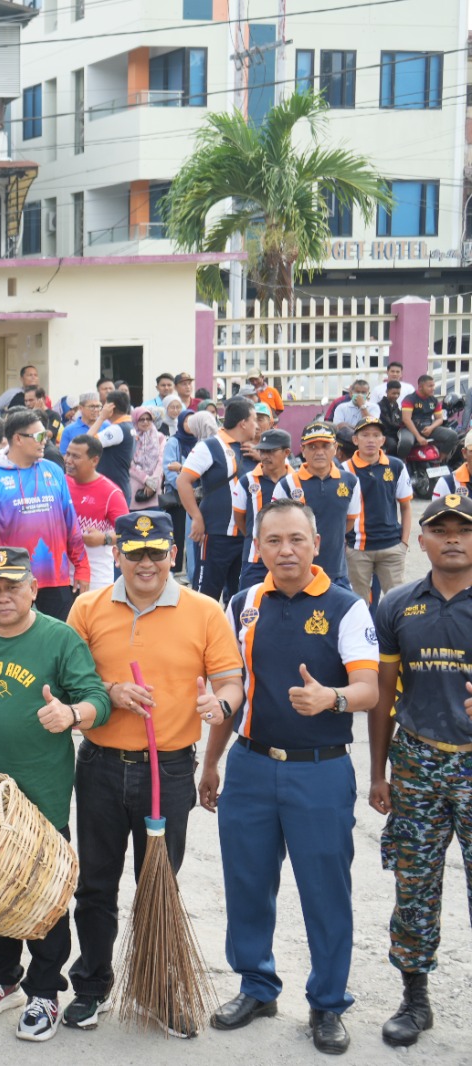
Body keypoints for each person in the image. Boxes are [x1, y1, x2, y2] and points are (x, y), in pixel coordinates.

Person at [201, 498, 379, 1054]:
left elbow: (370, 690)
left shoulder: (347, 607)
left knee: (326, 892)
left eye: (296, 539)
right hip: (251, 765)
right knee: (248, 883)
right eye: (273, 541)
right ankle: (257, 985)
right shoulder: (243, 602)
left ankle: (327, 1004)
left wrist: (333, 698)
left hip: (319, 772)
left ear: (317, 542)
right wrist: (211, 761)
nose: (286, 551)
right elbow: (235, 692)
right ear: (259, 547)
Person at [62, 512, 243, 1031]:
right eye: (134, 552)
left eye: (156, 552)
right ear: (116, 552)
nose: (145, 563)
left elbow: (231, 681)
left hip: (169, 770)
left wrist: (221, 706)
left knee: (158, 883)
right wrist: (111, 693)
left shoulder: (205, 611)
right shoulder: (88, 606)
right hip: (99, 765)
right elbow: (70, 680)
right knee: (95, 885)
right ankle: (93, 985)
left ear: (172, 554)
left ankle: (158, 990)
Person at [0, 545, 109, 1042]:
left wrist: (71, 715)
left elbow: (97, 697)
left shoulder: (59, 639)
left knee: (44, 894)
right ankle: (1, 979)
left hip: (41, 793)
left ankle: (45, 988)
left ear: (33, 589)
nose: (3, 597)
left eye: (12, 586)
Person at [368, 493, 472, 1049]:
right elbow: (384, 695)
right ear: (422, 540)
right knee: (414, 884)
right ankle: (415, 997)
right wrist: (378, 773)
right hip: (417, 762)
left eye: (464, 528)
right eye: (441, 528)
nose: (453, 537)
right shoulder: (398, 605)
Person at [0, 411, 90, 621]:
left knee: (55, 644)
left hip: (55, 580)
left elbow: (71, 524)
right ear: (17, 439)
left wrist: (82, 567)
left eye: (47, 437)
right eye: (39, 437)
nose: (45, 442)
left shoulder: (53, 470)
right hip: (9, 582)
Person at [178, 395, 257, 603]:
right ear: (243, 423)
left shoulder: (253, 449)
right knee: (206, 595)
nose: (257, 426)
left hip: (245, 536)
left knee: (240, 596)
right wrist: (196, 517)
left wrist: (262, 458)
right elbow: (183, 481)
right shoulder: (210, 446)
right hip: (215, 534)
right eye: (254, 420)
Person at [273, 424, 360, 589]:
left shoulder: (351, 482)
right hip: (298, 574)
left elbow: (348, 523)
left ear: (335, 448)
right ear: (303, 450)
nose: (319, 452)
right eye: (312, 447)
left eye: (326, 446)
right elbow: (276, 526)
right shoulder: (287, 484)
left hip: (337, 573)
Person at [342, 416, 413, 602]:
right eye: (365, 435)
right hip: (357, 548)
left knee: (397, 602)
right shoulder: (344, 470)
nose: (371, 440)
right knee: (357, 603)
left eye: (376, 435)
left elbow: (405, 506)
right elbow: (339, 511)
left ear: (383, 440)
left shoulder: (396, 466)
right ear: (355, 440)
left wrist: (403, 543)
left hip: (391, 547)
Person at [64, 435, 129, 592]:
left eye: (76, 456)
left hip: (96, 578)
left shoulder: (111, 492)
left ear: (94, 461)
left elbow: (129, 533)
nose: (68, 460)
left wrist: (104, 538)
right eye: (68, 454)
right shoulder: (60, 483)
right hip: (61, 575)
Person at [231, 429, 293, 589]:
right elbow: (240, 519)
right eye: (263, 451)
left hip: (289, 558)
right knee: (250, 605)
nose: (265, 456)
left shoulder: (296, 481)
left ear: (286, 452)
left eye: (271, 451)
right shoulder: (247, 481)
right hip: (254, 559)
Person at [399, 374, 459, 461]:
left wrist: (431, 428)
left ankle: (439, 461)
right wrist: (418, 436)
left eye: (433, 385)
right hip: (410, 429)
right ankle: (402, 464)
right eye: (430, 386)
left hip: (428, 427)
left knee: (452, 436)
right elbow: (406, 419)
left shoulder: (434, 400)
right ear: (420, 387)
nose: (433, 388)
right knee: (405, 442)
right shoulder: (409, 399)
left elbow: (440, 419)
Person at [128, 406, 166, 508]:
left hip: (153, 490)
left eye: (148, 419)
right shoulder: (130, 437)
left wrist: (153, 482)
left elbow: (161, 461)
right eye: (141, 419)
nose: (145, 422)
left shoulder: (160, 437)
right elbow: (128, 464)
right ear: (135, 420)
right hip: (134, 487)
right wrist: (145, 479)